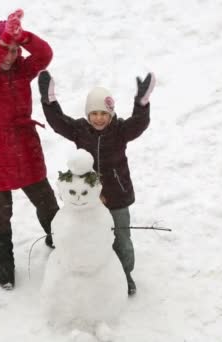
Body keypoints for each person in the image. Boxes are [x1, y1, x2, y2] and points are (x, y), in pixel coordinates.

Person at [37, 70, 156, 295]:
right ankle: (96, 273)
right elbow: (58, 122)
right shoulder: (80, 130)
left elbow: (139, 124)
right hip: (89, 198)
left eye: (103, 113)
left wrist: (141, 103)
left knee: (121, 239)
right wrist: (49, 101)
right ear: (88, 114)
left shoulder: (120, 131)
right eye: (94, 113)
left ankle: (125, 275)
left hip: (117, 196)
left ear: (111, 114)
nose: (99, 118)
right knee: (91, 237)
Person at [0, 9, 58, 290]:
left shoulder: (22, 68)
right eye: (4, 50)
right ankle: (6, 263)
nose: (10, 55)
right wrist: (4, 40)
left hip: (24, 144)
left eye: (14, 50)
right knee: (0, 212)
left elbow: (44, 56)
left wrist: (23, 37)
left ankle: (58, 239)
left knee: (46, 201)